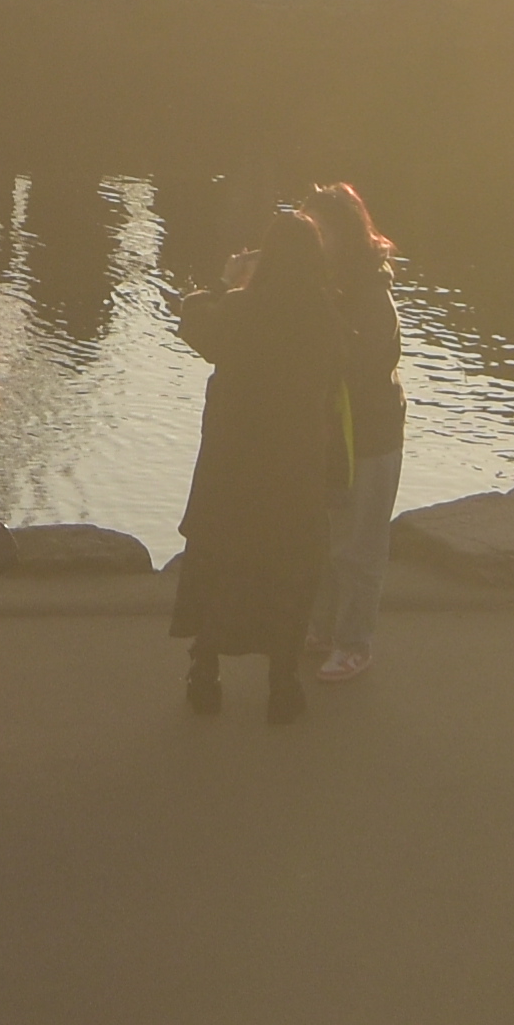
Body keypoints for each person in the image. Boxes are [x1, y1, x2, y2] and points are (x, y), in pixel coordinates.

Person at [174, 202, 349, 725]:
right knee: (289, 567)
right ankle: (282, 681)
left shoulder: (239, 310)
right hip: (295, 465)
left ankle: (205, 673)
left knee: (219, 562)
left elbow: (193, 322)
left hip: (232, 463)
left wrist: (226, 280)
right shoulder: (326, 319)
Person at [305, 180, 407, 685]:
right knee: (326, 540)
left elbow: (367, 364)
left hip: (371, 435)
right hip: (333, 434)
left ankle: (355, 643)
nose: (312, 241)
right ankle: (323, 628)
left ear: (344, 234)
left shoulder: (372, 293)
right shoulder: (325, 282)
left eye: (319, 231)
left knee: (360, 546)